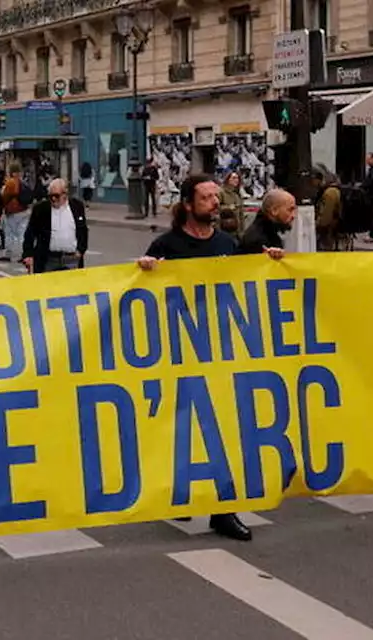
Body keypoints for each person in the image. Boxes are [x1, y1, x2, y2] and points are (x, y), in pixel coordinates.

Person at [136, 174, 282, 543]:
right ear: (188, 204)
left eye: (217, 196)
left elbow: (245, 284)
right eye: (207, 197)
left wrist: (271, 262)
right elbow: (141, 290)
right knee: (182, 426)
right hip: (180, 350)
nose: (215, 203)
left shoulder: (226, 244)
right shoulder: (167, 244)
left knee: (225, 429)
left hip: (220, 350)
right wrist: (145, 269)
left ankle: (224, 510)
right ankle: (180, 491)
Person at [22, 178, 89, 273]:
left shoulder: (77, 206)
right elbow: (30, 233)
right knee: (48, 287)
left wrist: (81, 250)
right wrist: (28, 254)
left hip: (71, 259)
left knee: (71, 287)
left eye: (56, 196)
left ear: (65, 194)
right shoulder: (40, 209)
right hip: (48, 259)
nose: (53, 199)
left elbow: (83, 231)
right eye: (50, 196)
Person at [238, 188, 295, 255]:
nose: (293, 216)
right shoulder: (257, 240)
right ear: (274, 210)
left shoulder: (269, 234)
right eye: (290, 210)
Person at [218, 172, 245, 237]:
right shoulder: (221, 192)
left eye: (237, 178)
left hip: (237, 230)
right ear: (228, 179)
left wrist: (242, 230)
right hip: (224, 228)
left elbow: (241, 213)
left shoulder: (237, 194)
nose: (236, 180)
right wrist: (228, 207)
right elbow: (216, 207)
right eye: (233, 178)